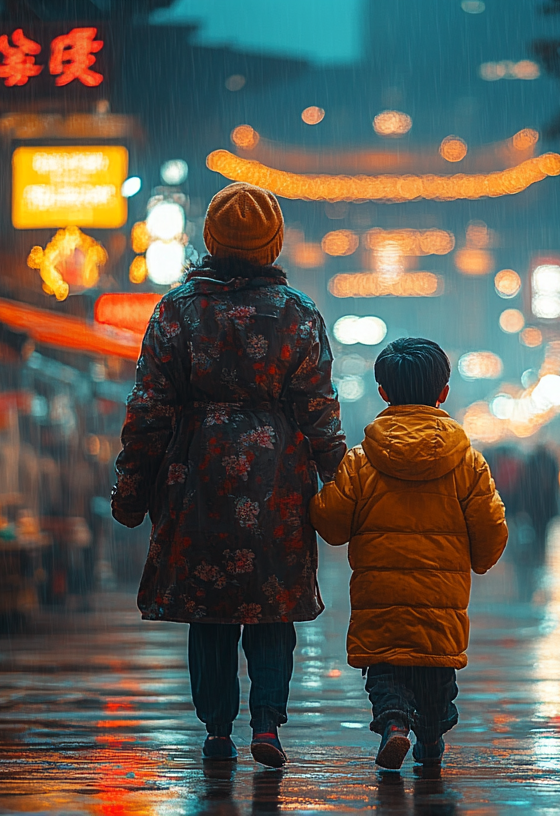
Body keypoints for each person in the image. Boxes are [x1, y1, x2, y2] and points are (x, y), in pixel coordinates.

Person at [111, 182, 346, 768]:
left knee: (210, 612)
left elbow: (148, 409)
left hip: (197, 479)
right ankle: (266, 724)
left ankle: (218, 729)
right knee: (273, 608)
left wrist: (132, 486)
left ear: (211, 238)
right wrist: (341, 480)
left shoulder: (176, 311)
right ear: (273, 243)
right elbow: (319, 409)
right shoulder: (298, 314)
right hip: (277, 484)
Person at [310, 337, 507, 770]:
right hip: (441, 603)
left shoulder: (361, 462)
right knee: (437, 678)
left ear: (383, 392)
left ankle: (395, 723)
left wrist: (315, 496)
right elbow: (491, 533)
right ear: (444, 393)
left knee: (387, 675)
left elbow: (332, 526)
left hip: (380, 601)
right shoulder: (467, 463)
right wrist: (481, 560)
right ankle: (432, 739)